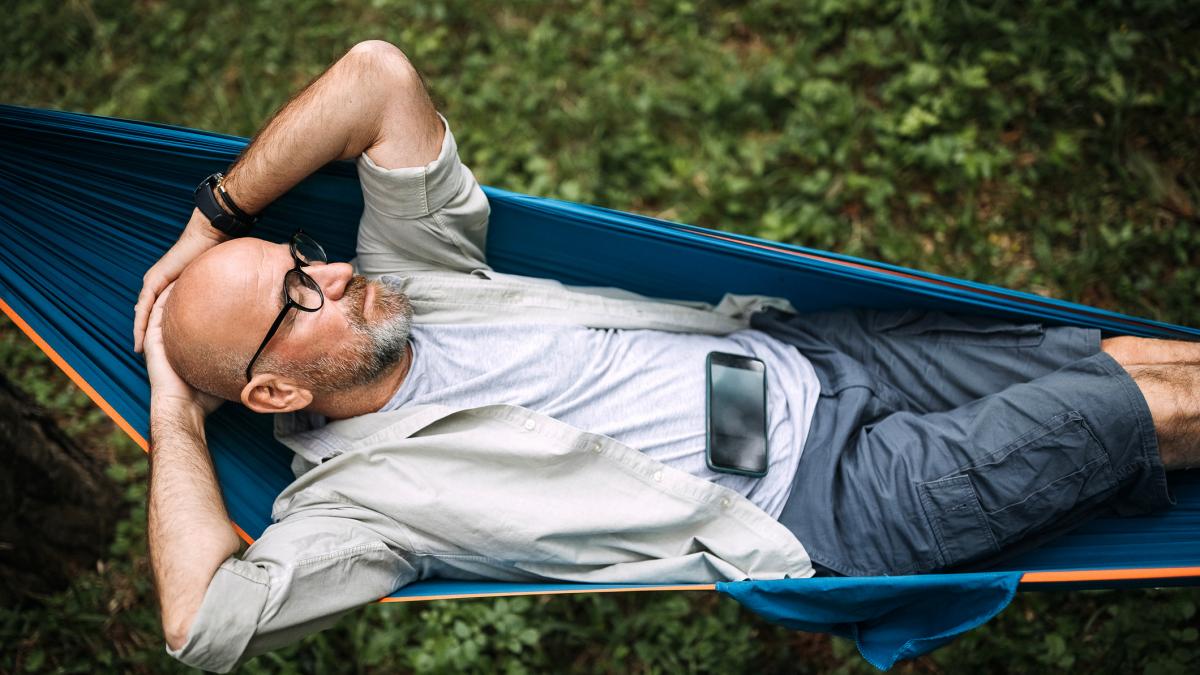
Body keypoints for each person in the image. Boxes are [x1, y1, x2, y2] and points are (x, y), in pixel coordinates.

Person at [136, 41, 1196, 672]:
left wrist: (212, 220)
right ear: (272, 388)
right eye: (292, 298)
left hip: (811, 355)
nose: (328, 277)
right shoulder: (359, 505)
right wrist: (175, 409)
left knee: (1113, 360)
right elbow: (202, 626)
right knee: (1126, 412)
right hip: (834, 505)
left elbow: (377, 75)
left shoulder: (417, 276)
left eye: (304, 260)